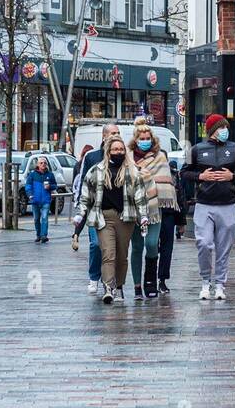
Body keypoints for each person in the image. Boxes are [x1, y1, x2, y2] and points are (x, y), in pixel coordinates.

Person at [73, 135, 150, 304]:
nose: (118, 152)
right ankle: (109, 287)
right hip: (104, 217)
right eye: (115, 149)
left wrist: (143, 216)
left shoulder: (132, 171)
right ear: (108, 151)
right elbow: (86, 195)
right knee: (108, 254)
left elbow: (140, 196)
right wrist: (80, 213)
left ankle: (119, 286)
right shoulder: (96, 170)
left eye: (121, 149)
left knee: (122, 256)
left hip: (126, 218)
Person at [182, 113, 235, 300]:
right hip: (204, 204)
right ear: (212, 130)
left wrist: (233, 177)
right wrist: (200, 177)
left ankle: (220, 283)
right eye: (221, 128)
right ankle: (205, 281)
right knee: (203, 243)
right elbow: (184, 172)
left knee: (223, 247)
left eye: (226, 127)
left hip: (228, 204)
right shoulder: (196, 150)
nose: (225, 131)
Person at [130, 120, 179, 298]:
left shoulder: (160, 157)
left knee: (151, 244)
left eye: (148, 137)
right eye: (142, 138)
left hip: (154, 208)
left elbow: (167, 182)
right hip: (134, 208)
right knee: (136, 247)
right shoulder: (128, 157)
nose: (145, 140)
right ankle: (137, 287)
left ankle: (150, 280)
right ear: (135, 139)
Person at [73, 126, 117, 296]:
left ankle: (110, 280)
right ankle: (94, 276)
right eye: (113, 133)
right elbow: (83, 182)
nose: (116, 136)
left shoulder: (121, 155)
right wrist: (80, 211)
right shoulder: (92, 157)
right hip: (94, 209)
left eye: (118, 133)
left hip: (115, 209)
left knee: (112, 247)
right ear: (104, 136)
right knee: (97, 244)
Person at [26, 156, 57, 244]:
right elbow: (28, 186)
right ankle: (38, 235)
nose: (43, 164)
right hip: (35, 200)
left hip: (46, 200)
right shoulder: (32, 174)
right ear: (37, 165)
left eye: (44, 163)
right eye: (41, 163)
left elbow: (55, 185)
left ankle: (44, 236)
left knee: (44, 218)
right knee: (36, 219)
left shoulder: (50, 175)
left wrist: (50, 186)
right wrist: (30, 195)